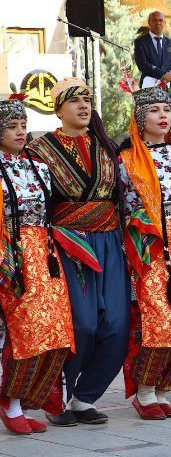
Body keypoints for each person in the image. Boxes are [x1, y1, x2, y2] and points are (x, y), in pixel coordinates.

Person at [27, 77, 131, 426]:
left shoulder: (107, 146)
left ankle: (84, 398)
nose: (83, 105)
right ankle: (57, 395)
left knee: (116, 326)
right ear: (58, 110)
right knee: (82, 324)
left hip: (109, 241)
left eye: (87, 99)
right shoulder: (40, 150)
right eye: (74, 101)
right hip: (68, 245)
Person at [117, 84, 171, 420]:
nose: (163, 116)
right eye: (154, 111)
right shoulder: (126, 162)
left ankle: (164, 389)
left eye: (166, 110)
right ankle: (145, 391)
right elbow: (123, 209)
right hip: (149, 243)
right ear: (139, 118)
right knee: (156, 317)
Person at [0, 95, 74, 435]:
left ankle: (24, 400)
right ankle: (11, 402)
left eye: (23, 126)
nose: (20, 132)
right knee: (24, 332)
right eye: (11, 127)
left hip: (45, 256)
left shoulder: (38, 167)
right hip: (11, 257)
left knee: (56, 331)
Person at [134, 11, 171, 119]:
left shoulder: (170, 43)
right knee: (150, 121)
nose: (158, 23)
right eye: (154, 20)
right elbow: (142, 64)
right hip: (149, 89)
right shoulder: (140, 42)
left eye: (160, 20)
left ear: (165, 23)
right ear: (149, 23)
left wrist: (170, 75)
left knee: (170, 123)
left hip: (169, 91)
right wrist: (163, 74)